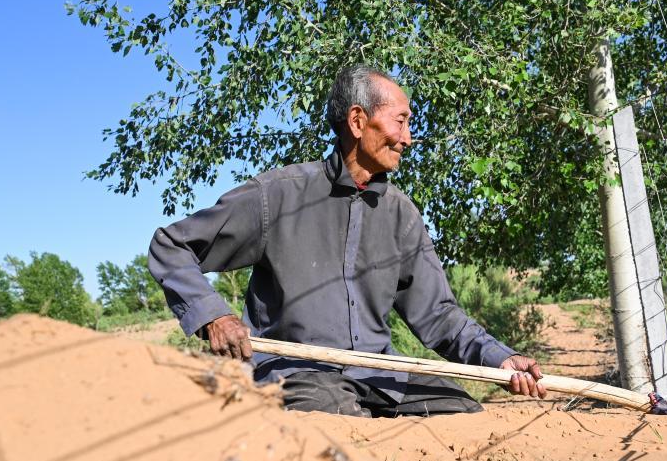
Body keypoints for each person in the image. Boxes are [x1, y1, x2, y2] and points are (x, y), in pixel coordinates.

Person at [148, 65, 547, 417]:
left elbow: (439, 315)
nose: (408, 138)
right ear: (358, 121)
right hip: (295, 373)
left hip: (380, 376)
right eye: (401, 121)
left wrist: (499, 359)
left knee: (461, 410)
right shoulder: (277, 195)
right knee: (334, 411)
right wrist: (214, 316)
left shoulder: (401, 214)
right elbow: (172, 246)